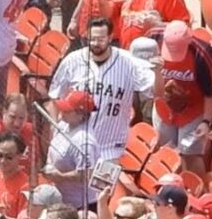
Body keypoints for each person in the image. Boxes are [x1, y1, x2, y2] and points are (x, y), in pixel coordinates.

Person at [49, 17, 154, 163]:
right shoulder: (72, 60)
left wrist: (159, 70)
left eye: (101, 39)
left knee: (102, 187)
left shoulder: (129, 63)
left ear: (110, 37)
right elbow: (54, 96)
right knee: (65, 183)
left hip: (110, 149)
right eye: (92, 38)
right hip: (72, 143)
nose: (95, 43)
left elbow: (155, 92)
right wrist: (56, 129)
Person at [144, 20, 212, 175]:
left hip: (192, 109)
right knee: (164, 153)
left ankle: (196, 191)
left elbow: (210, 92)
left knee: (190, 153)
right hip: (163, 108)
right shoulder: (153, 36)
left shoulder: (201, 53)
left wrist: (206, 121)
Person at [43, 91, 102, 210]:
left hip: (81, 205)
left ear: (81, 115)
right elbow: (52, 147)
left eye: (68, 110)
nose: (62, 111)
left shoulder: (84, 141)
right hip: (61, 198)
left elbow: (86, 174)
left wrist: (61, 176)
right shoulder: (64, 126)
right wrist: (49, 166)